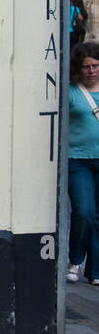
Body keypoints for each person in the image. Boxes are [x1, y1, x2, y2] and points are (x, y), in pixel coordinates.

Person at [67, 41, 99, 285]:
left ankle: (95, 271)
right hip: (78, 160)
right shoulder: (71, 92)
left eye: (96, 66)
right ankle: (76, 260)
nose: (91, 71)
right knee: (84, 211)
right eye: (86, 66)